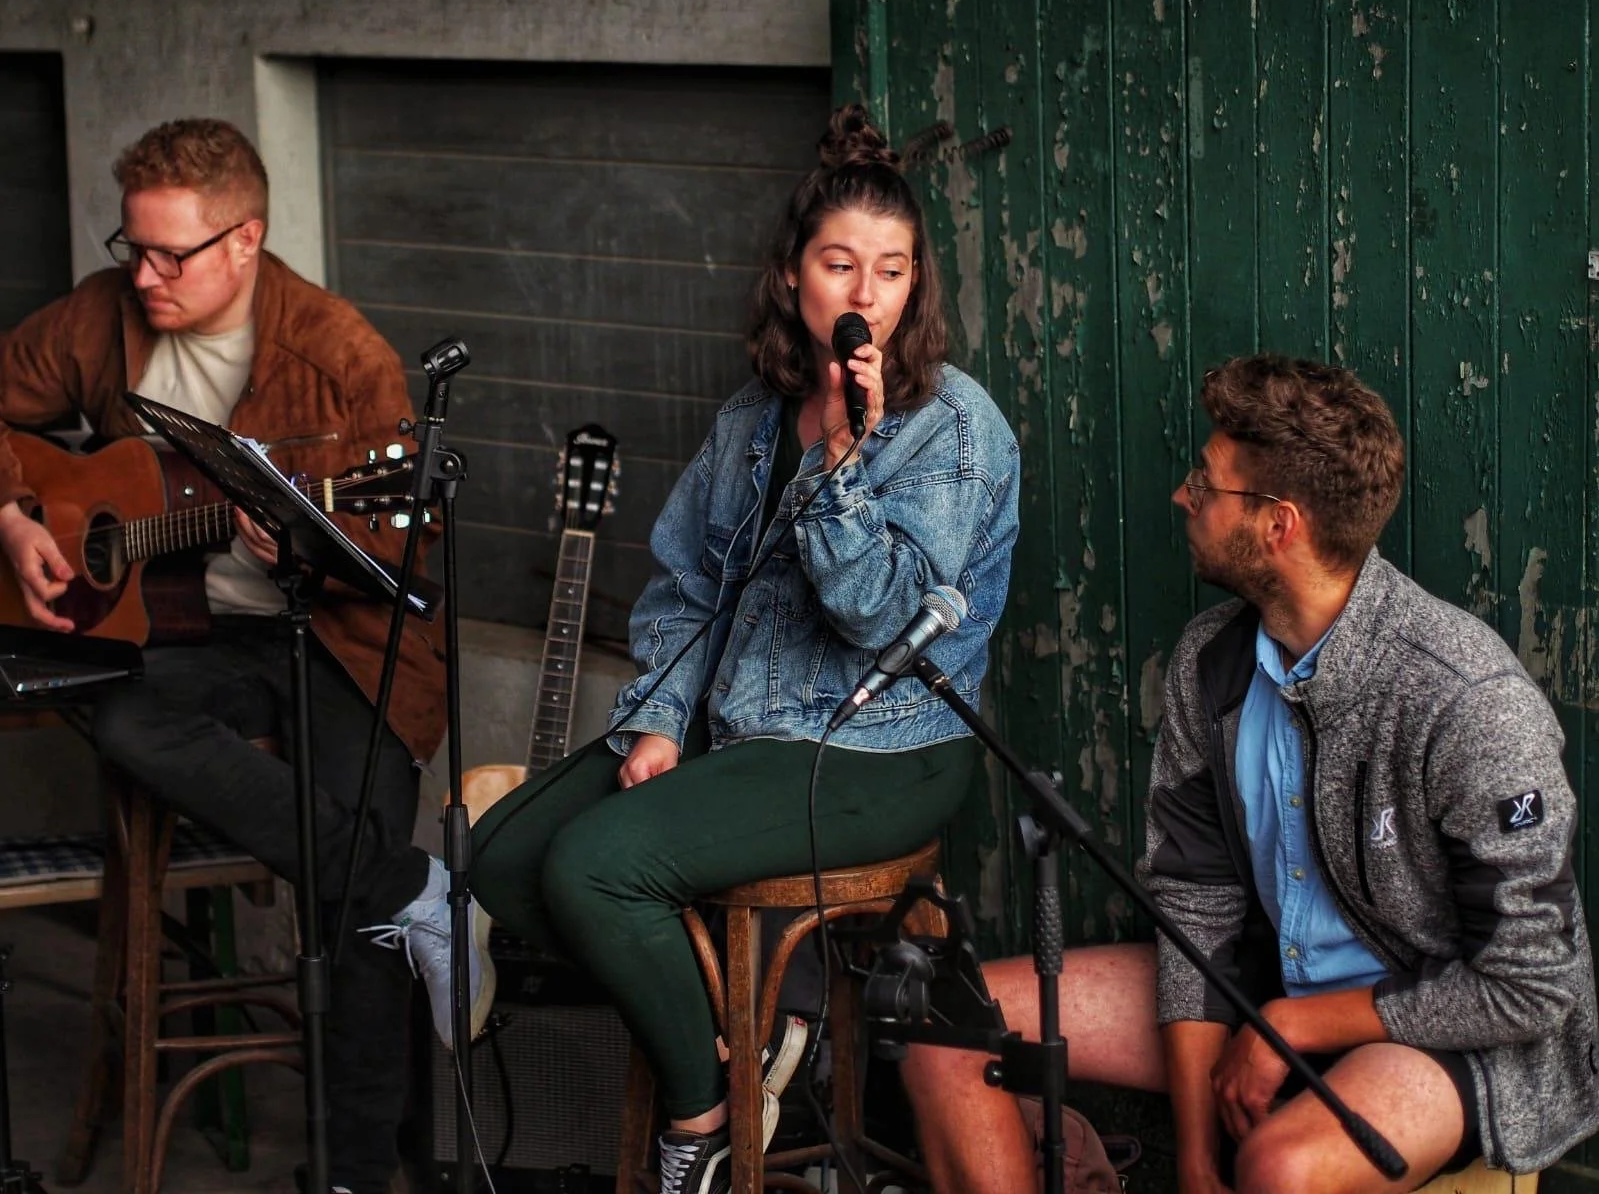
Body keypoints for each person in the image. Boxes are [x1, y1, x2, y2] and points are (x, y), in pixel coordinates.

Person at [467, 104, 1020, 1194]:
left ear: (917, 288)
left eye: (894, 271)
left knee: (597, 865)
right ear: (792, 277)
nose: (866, 298)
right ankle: (739, 1030)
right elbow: (680, 592)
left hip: (879, 746)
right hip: (736, 727)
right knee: (504, 857)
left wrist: (847, 464)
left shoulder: (957, 432)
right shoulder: (751, 419)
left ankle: (703, 1114)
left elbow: (879, 619)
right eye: (840, 265)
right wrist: (660, 726)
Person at [901, 355, 1599, 1194]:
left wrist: (1292, 1023)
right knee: (943, 1022)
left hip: (1443, 1030)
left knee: (1281, 1168)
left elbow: (1529, 985)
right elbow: (1195, 906)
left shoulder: (1463, 699)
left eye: (1205, 480)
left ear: (1279, 524)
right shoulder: (1213, 661)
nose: (1182, 495)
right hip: (1271, 983)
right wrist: (1195, 1159)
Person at [0, 118, 491, 1194]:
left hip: (337, 640)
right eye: (133, 247)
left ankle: (356, 1169)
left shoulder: (341, 357)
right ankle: (415, 890)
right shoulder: (101, 313)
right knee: (129, 724)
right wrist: (13, 514)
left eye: (172, 254)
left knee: (350, 826)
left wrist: (311, 540)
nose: (147, 276)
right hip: (188, 634)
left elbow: (407, 548)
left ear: (246, 240)